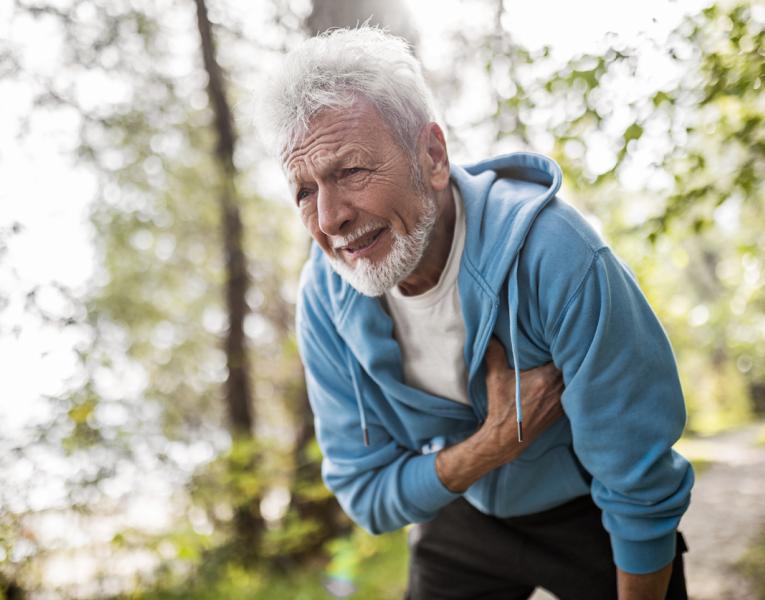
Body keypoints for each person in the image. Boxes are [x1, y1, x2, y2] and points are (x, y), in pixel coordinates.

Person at [256, 27, 694, 600]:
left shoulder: (554, 252)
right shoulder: (323, 296)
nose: (330, 217)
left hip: (591, 508)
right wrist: (493, 445)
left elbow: (637, 477)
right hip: (462, 507)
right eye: (304, 191)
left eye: (350, 171)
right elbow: (366, 495)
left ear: (431, 156)